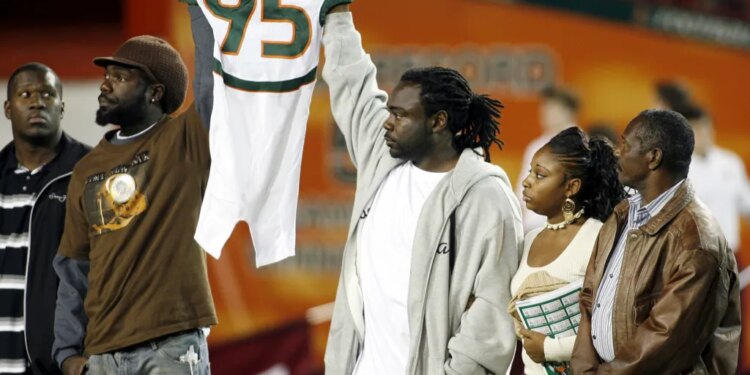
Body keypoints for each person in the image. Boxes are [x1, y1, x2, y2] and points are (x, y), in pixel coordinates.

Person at [321, 6, 524, 375]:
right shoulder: (381, 161)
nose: (388, 122)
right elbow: (353, 85)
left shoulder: (485, 198)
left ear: (438, 122)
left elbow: (492, 315)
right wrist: (336, 15)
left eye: (401, 115)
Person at [52, 35, 216, 375]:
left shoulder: (185, 139)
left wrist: (200, 11)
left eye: (120, 77)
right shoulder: (86, 168)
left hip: (170, 346)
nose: (106, 84)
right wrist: (67, 353)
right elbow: (73, 269)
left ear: (155, 93)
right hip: (101, 356)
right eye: (106, 75)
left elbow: (209, 83)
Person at [572, 109, 741, 374]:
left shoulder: (697, 240)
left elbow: (665, 339)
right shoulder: (621, 215)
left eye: (625, 144)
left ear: (653, 157)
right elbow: (590, 300)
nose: (617, 152)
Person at [509, 127, 625, 374]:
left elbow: (615, 329)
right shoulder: (529, 239)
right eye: (530, 171)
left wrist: (551, 349)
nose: (527, 181)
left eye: (540, 175)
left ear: (571, 187)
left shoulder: (597, 237)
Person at [0, 63, 89, 375]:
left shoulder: (90, 172)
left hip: (59, 366)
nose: (37, 101)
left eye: (47, 94)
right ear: (8, 108)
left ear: (61, 107)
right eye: (26, 94)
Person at [681, 105, 750, 252]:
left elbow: (747, 203)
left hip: (731, 253)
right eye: (696, 128)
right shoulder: (679, 169)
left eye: (705, 127)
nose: (702, 133)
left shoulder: (730, 162)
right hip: (696, 255)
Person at [516, 86, 580, 233]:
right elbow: (521, 192)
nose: (546, 113)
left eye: (553, 108)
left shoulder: (582, 146)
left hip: (566, 228)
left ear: (569, 112)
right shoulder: (535, 146)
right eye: (545, 107)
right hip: (532, 228)